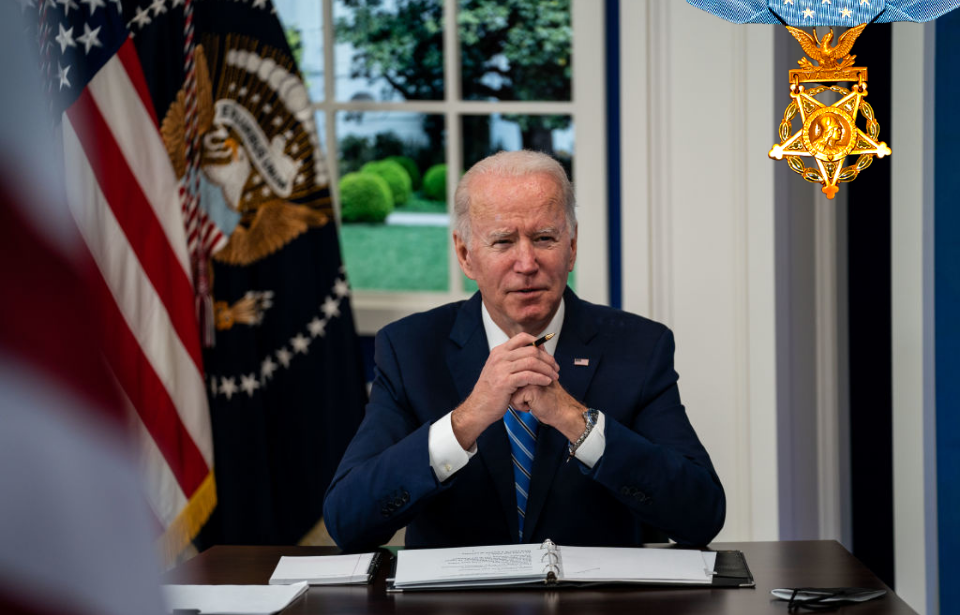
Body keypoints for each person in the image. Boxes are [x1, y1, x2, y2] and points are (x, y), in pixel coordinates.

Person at [323, 150, 724, 551]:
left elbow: (701, 516)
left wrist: (577, 421)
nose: (527, 263)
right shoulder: (409, 349)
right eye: (503, 241)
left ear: (572, 245)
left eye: (544, 238)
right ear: (465, 255)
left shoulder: (640, 347)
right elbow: (348, 520)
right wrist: (465, 421)